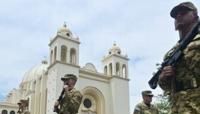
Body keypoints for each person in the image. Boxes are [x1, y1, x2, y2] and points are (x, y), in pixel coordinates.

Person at [158, 1, 200, 114]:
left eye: (184, 12)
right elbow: (166, 87)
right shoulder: (170, 54)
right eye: (176, 15)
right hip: (179, 107)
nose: (178, 16)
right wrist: (163, 77)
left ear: (195, 15)